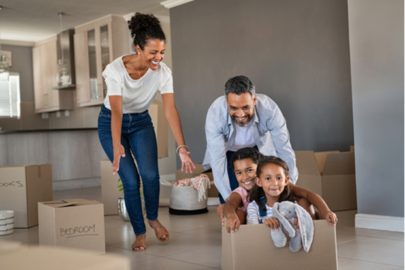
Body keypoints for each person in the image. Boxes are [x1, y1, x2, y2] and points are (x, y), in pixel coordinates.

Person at [98, 13, 195, 251]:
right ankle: (139, 233)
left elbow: (170, 110)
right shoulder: (115, 70)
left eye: (162, 52)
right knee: (130, 181)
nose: (159, 57)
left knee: (150, 176)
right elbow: (117, 111)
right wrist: (116, 142)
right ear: (138, 48)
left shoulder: (163, 72)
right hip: (112, 122)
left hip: (141, 122)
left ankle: (153, 219)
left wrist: (181, 147)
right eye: (153, 52)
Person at [203, 75, 298, 222]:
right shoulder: (216, 113)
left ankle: (264, 220)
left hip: (259, 150)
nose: (240, 114)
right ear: (226, 101)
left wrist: (287, 187)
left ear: (254, 100)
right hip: (228, 153)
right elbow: (217, 160)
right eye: (233, 108)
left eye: (246, 107)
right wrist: (229, 201)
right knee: (235, 200)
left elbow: (284, 150)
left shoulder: (269, 110)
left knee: (264, 189)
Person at [224, 148, 338, 233]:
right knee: (238, 212)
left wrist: (325, 211)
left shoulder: (278, 185)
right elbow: (230, 203)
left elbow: (308, 194)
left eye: (249, 170)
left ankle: (308, 233)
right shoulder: (241, 192)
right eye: (239, 173)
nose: (244, 177)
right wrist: (230, 216)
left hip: (287, 223)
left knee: (303, 201)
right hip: (259, 228)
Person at [246, 156, 338, 228]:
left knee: (303, 201)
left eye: (279, 178)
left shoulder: (292, 205)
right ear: (258, 182)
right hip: (265, 248)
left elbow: (308, 197)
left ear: (286, 181)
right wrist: (264, 222)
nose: (274, 183)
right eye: (268, 178)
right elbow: (252, 229)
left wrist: (300, 219)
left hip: (290, 249)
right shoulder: (254, 207)